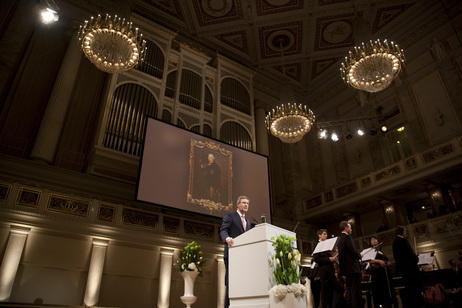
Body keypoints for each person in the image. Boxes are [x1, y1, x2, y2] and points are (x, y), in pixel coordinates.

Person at [219, 196, 251, 308]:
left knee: (243, 283)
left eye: (247, 203)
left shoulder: (248, 221)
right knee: (231, 284)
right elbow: (223, 230)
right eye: (243, 203)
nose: (246, 205)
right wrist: (227, 238)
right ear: (238, 204)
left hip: (244, 257)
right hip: (232, 254)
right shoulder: (230, 215)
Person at [392, 225, 424, 308]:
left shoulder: (395, 242)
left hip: (401, 271)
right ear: (403, 232)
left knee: (406, 294)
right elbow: (410, 254)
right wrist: (416, 258)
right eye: (405, 232)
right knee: (414, 292)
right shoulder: (403, 241)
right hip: (410, 272)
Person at [337, 221, 362, 308]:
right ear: (346, 228)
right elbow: (354, 252)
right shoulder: (348, 237)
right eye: (350, 227)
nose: (351, 229)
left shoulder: (340, 239)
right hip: (353, 269)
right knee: (356, 292)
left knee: (350, 291)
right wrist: (360, 255)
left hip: (346, 270)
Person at [367, 236, 397, 308]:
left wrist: (387, 263)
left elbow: (384, 260)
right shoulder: (370, 251)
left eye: (375, 239)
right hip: (378, 274)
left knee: (387, 292)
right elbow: (368, 260)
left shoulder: (380, 251)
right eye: (372, 240)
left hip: (385, 273)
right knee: (380, 293)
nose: (374, 241)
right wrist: (379, 261)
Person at [313, 229, 337, 308]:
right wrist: (328, 259)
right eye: (324, 234)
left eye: (326, 234)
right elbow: (316, 259)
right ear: (319, 235)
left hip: (331, 271)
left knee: (331, 293)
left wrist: (333, 256)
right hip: (323, 272)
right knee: (325, 294)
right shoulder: (317, 245)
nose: (326, 235)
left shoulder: (328, 245)